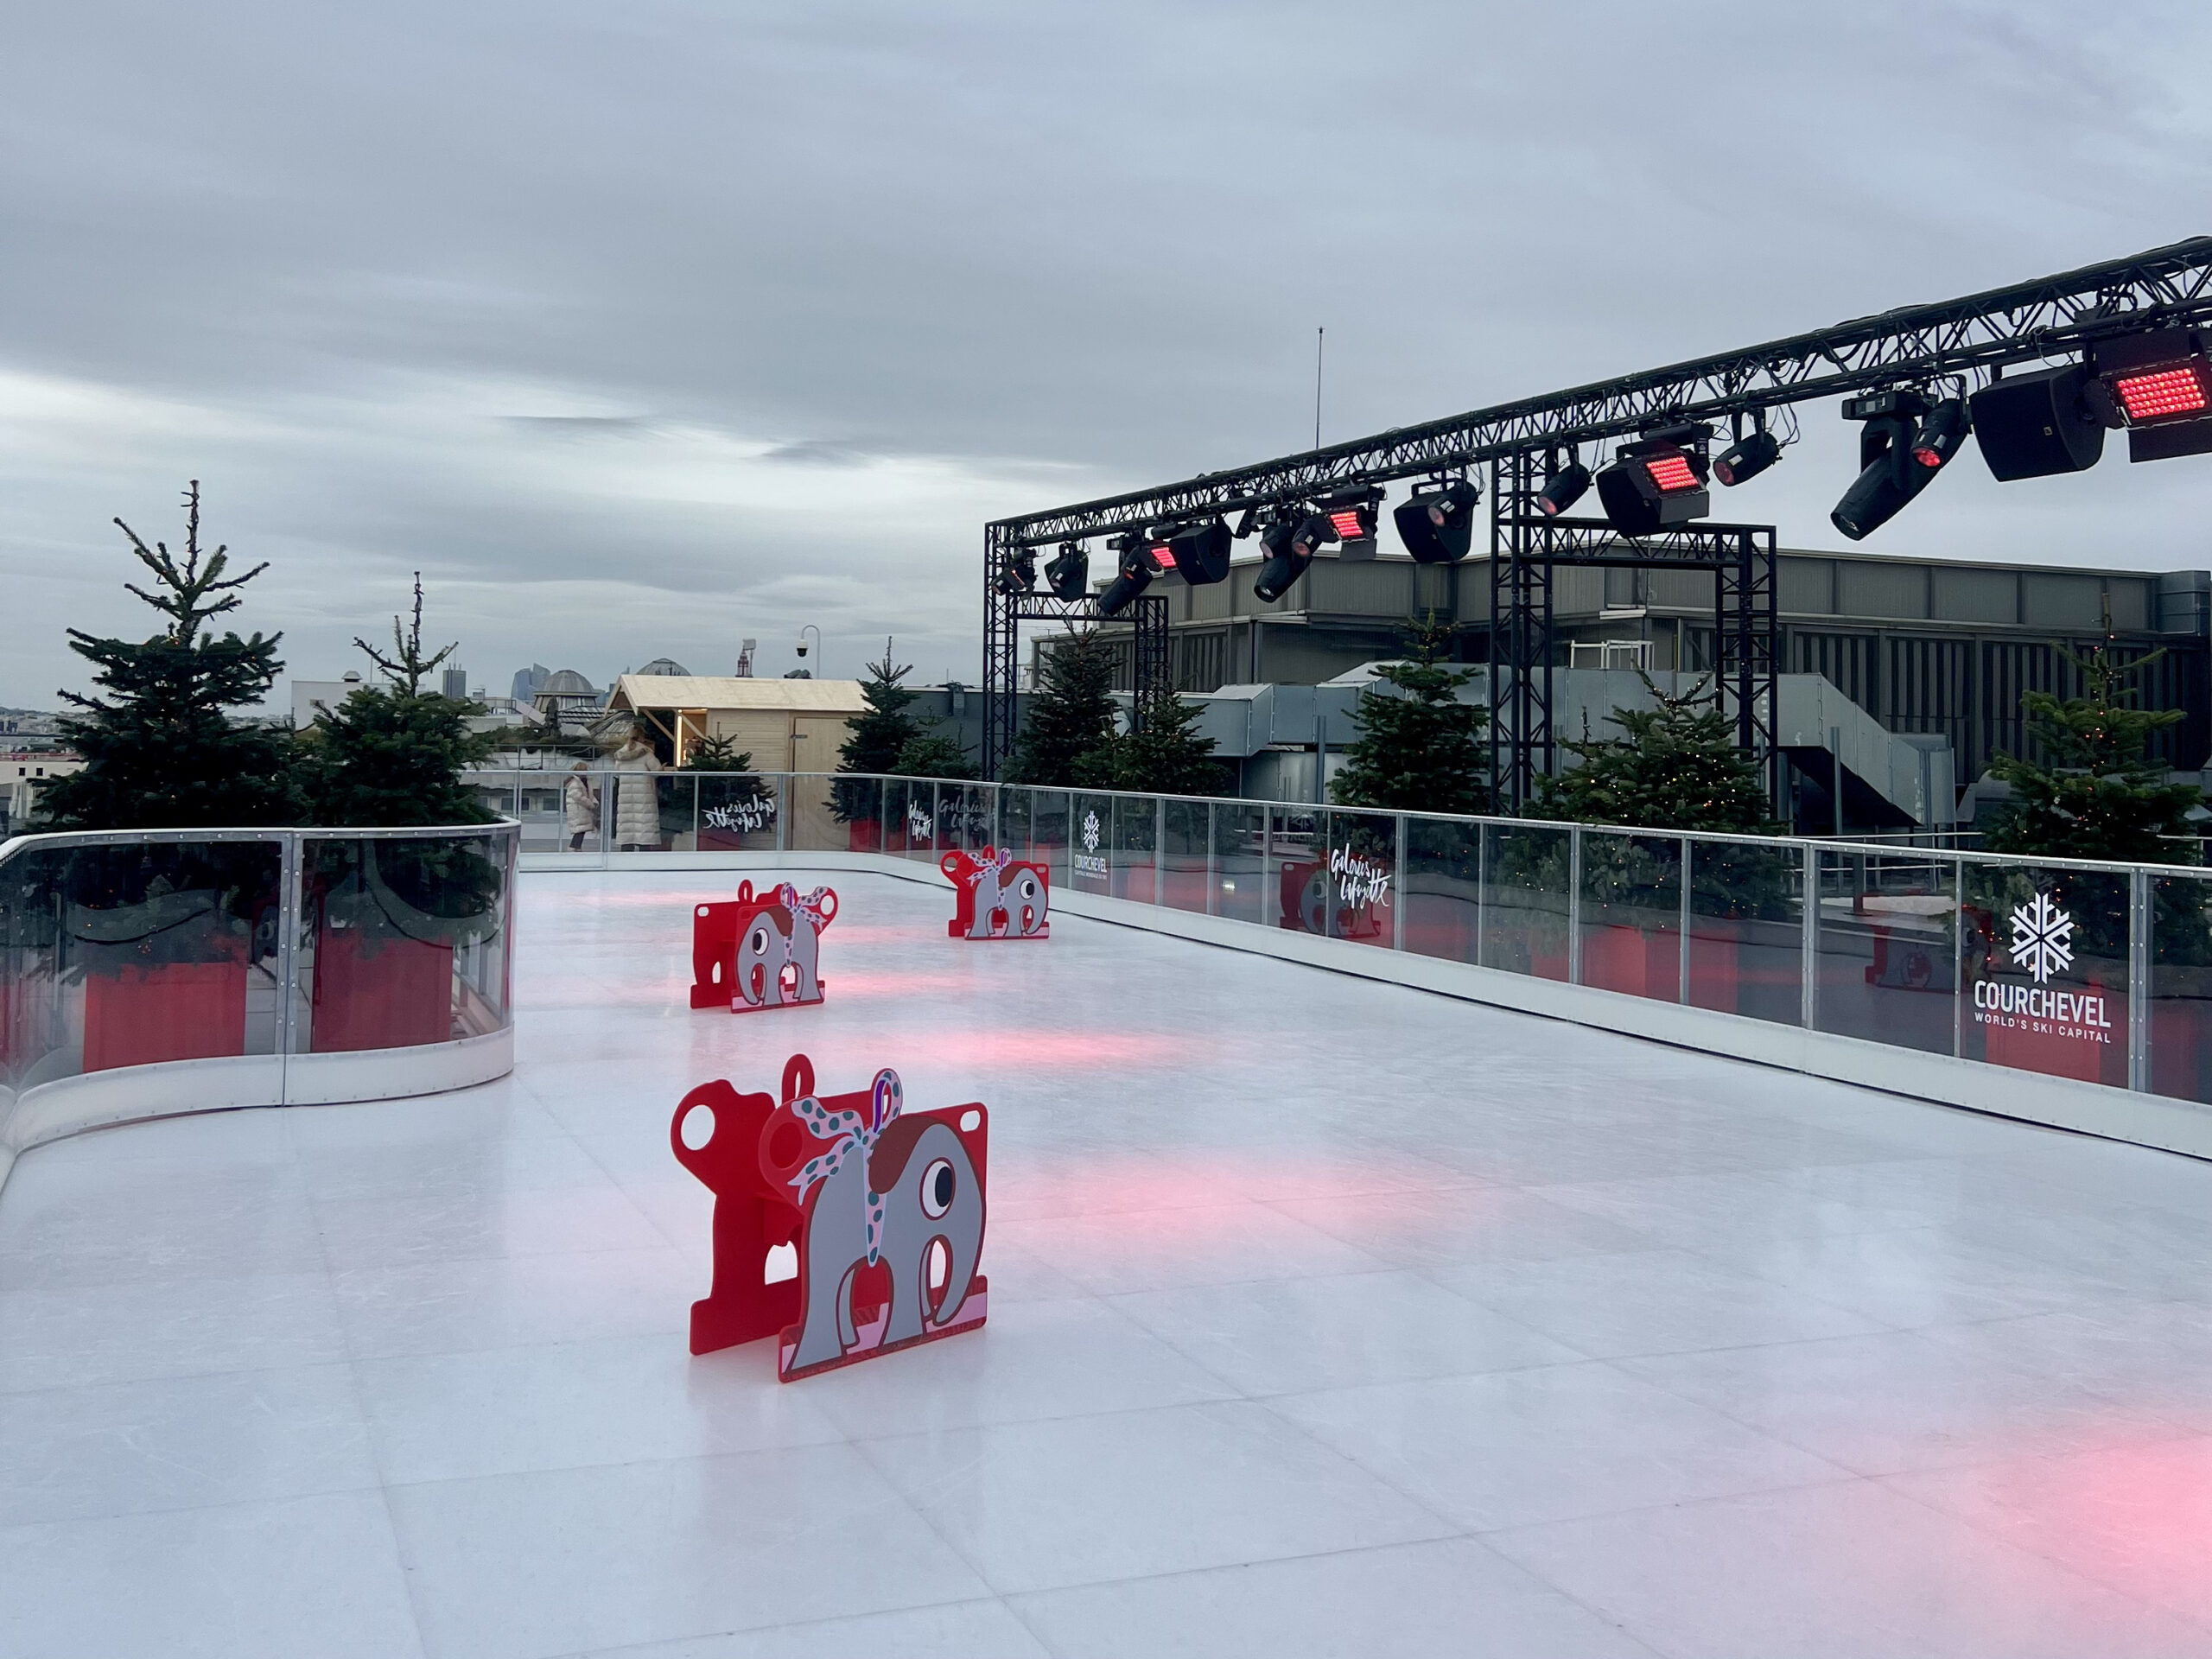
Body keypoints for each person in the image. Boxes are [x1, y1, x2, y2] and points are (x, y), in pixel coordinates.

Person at [610, 723, 664, 851]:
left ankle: (626, 850)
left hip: (625, 795)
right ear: (642, 737)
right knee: (643, 823)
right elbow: (656, 770)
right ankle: (644, 853)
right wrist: (662, 769)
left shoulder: (621, 753)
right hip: (644, 794)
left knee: (627, 823)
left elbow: (617, 772)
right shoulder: (646, 752)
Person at [563, 760, 600, 852]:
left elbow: (589, 794)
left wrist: (594, 802)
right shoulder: (575, 783)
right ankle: (573, 847)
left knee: (581, 830)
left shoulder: (583, 781)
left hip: (582, 810)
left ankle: (577, 847)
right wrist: (591, 804)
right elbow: (578, 797)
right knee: (580, 830)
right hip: (578, 810)